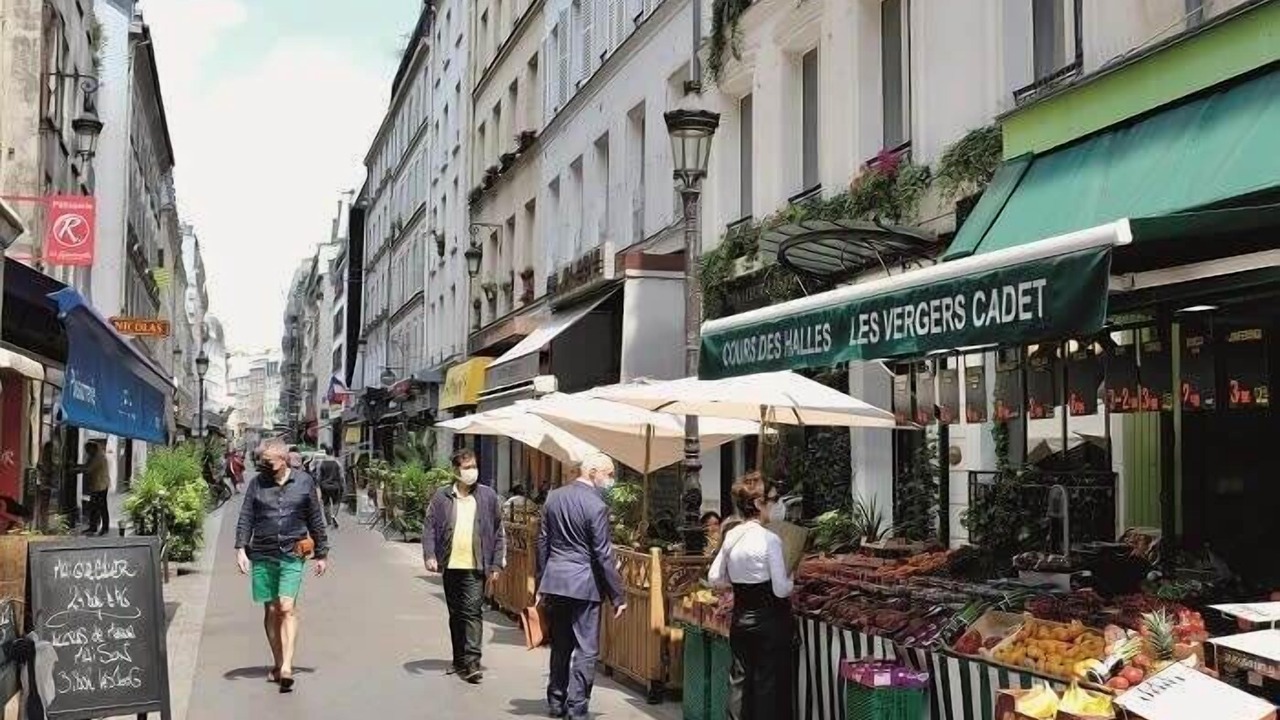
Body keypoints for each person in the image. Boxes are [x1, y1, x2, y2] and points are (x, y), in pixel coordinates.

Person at [536, 452, 627, 720]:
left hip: (556, 580)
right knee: (586, 649)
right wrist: (617, 595)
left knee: (561, 644)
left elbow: (542, 542)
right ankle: (577, 707)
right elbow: (602, 553)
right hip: (585, 584)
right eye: (608, 474)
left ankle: (556, 700)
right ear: (593, 472)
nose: (610, 480)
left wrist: (541, 581)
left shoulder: (554, 498)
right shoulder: (596, 506)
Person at [235, 441, 329, 693]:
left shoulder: (304, 482)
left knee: (286, 607)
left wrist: (322, 553)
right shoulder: (257, 483)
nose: (264, 465)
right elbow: (246, 517)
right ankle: (278, 663)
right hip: (263, 552)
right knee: (272, 609)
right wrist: (241, 548)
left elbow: (315, 518)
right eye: (262, 461)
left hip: (292, 552)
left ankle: (287, 666)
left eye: (269, 461)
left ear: (284, 459)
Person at [708, 479, 794, 720]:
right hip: (769, 620)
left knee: (739, 678)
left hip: (741, 618)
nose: (775, 506)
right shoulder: (770, 540)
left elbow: (714, 576)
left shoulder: (733, 535)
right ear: (758, 503)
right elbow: (780, 589)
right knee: (766, 683)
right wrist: (792, 577)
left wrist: (735, 584)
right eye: (773, 500)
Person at [422, 448, 504, 684]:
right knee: (456, 613)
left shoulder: (488, 496)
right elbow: (430, 527)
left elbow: (499, 532)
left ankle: (472, 663)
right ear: (456, 471)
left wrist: (496, 564)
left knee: (472, 612)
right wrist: (430, 554)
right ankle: (459, 659)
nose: (472, 472)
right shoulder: (442, 496)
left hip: (476, 566)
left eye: (474, 466)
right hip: (450, 564)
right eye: (467, 468)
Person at [72, 441, 110, 536]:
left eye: (88, 450)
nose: (87, 452)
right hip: (97, 485)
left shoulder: (98, 457)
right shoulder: (94, 456)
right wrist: (76, 466)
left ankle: (103, 528)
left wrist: (74, 470)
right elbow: (86, 466)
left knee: (101, 507)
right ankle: (93, 527)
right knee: (94, 507)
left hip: (100, 486)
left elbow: (88, 469)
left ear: (93, 449)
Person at [314, 454, 344, 529]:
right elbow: (341, 476)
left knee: (326, 503)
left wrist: (318, 485)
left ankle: (329, 522)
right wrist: (342, 485)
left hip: (324, 486)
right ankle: (333, 515)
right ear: (333, 452)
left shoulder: (321, 463)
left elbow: (318, 475)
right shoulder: (337, 463)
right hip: (335, 486)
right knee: (336, 502)